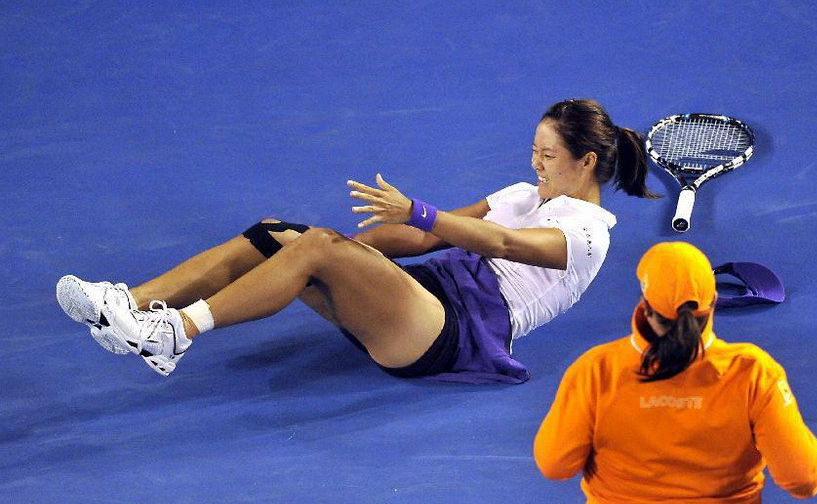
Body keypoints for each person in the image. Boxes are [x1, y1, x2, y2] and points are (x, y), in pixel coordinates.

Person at [56, 99, 654, 383]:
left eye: (547, 155)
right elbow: (420, 240)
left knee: (313, 249)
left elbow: (503, 244)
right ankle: (130, 306)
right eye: (534, 150)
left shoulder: (588, 234)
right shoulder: (529, 193)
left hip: (450, 334)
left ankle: (175, 334)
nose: (536, 163)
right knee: (276, 235)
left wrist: (417, 213)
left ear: (587, 161)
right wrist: (354, 249)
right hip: (416, 297)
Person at [533, 242, 817, 504]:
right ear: (713, 302)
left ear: (645, 305)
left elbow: (554, 464)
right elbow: (804, 479)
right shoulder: (755, 371)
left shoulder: (596, 369)